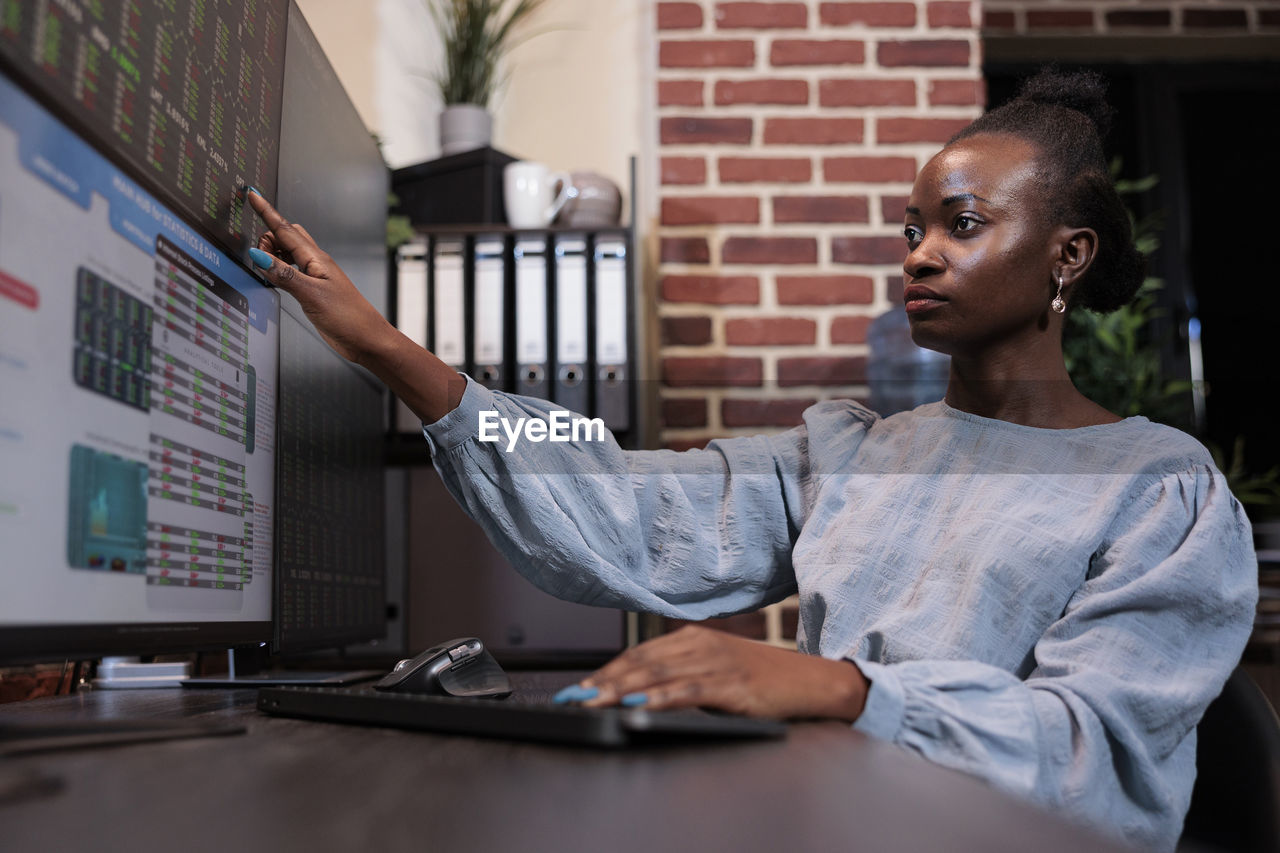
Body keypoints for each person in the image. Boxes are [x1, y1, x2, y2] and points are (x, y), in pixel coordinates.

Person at [243, 69, 1257, 852]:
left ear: (1066, 256)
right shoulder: (851, 455)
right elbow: (604, 476)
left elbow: (1095, 755)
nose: (917, 253)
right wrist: (394, 353)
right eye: (912, 228)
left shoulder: (1156, 487)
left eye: (961, 225)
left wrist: (842, 690)